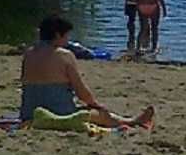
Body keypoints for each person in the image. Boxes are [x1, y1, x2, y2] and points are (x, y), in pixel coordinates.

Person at [20, 14, 153, 128]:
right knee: (99, 114)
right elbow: (81, 92)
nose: (67, 40)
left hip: (29, 112)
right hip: (60, 113)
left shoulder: (29, 54)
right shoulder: (64, 55)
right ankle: (131, 122)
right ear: (57, 35)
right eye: (66, 36)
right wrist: (96, 105)